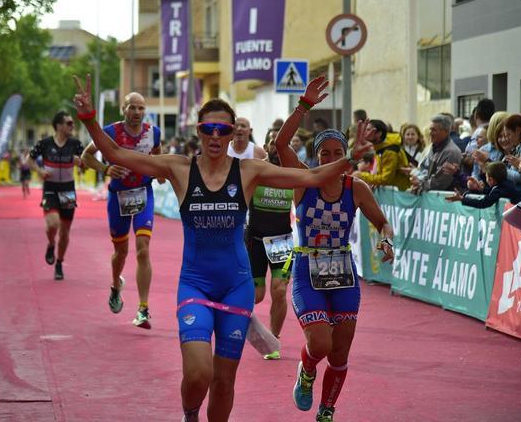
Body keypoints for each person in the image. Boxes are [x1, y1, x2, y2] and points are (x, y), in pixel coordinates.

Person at [73, 74, 372, 422]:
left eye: (224, 131)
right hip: (196, 285)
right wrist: (90, 118)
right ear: (198, 131)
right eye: (208, 129)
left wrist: (348, 156)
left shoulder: (248, 171)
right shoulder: (178, 168)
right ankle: (189, 414)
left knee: (224, 382)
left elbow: (311, 178)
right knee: (198, 374)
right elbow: (113, 152)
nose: (216, 137)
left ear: (232, 134)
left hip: (236, 288)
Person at [275, 91, 394, 422]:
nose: (330, 158)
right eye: (324, 154)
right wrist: (304, 107)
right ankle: (308, 370)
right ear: (314, 159)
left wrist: (388, 243)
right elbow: (282, 146)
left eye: (337, 153)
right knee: (321, 343)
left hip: (343, 272)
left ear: (347, 156)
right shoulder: (303, 182)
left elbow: (383, 224)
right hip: (306, 269)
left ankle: (327, 409)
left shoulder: (356, 188)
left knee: (340, 350)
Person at [81, 92, 161, 329]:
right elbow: (86, 156)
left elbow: (159, 158)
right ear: (123, 109)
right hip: (118, 198)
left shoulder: (153, 133)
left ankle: (143, 308)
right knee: (121, 252)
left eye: (140, 108)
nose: (136, 112)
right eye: (132, 108)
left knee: (143, 250)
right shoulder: (110, 132)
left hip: (144, 194)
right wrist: (105, 169)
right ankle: (116, 285)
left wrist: (162, 174)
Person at [245, 128, 293, 361]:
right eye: (272, 142)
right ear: (266, 145)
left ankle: (273, 339)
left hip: (282, 242)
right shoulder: (256, 171)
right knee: (256, 296)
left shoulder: (292, 172)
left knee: (280, 290)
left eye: (280, 142)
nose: (276, 146)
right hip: (255, 240)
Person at [29, 111, 84, 280]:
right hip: (50, 189)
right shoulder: (44, 143)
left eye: (72, 123)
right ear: (59, 126)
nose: (72, 126)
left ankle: (59, 262)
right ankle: (51, 244)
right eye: (69, 123)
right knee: (53, 223)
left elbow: (86, 162)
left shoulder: (76, 144)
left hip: (68, 190)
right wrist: (39, 171)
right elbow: (29, 159)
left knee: (65, 231)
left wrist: (81, 163)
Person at [353, 119, 410, 191]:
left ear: (378, 133)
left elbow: (385, 179)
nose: (365, 133)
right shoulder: (380, 147)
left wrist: (361, 176)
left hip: (399, 195)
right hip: (391, 193)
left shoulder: (389, 151)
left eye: (368, 130)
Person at [445, 161, 520, 207]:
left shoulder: (499, 190)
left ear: (490, 179)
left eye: (486, 176)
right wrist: (481, 189)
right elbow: (491, 192)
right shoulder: (506, 184)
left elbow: (483, 203)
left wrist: (462, 199)